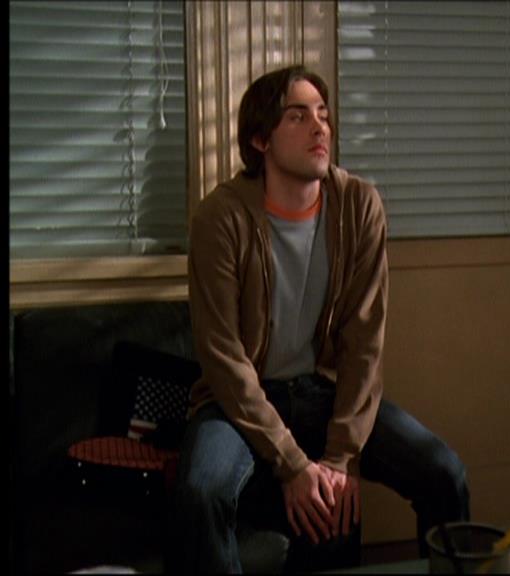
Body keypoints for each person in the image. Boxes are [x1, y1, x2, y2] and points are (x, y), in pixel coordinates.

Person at [175, 64, 470, 573]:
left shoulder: (359, 206)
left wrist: (339, 459)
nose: (320, 128)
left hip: (324, 391)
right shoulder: (220, 217)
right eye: (298, 116)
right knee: (201, 491)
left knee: (445, 473)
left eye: (324, 115)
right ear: (260, 140)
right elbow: (223, 357)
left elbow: (364, 344)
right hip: (242, 399)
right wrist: (292, 465)